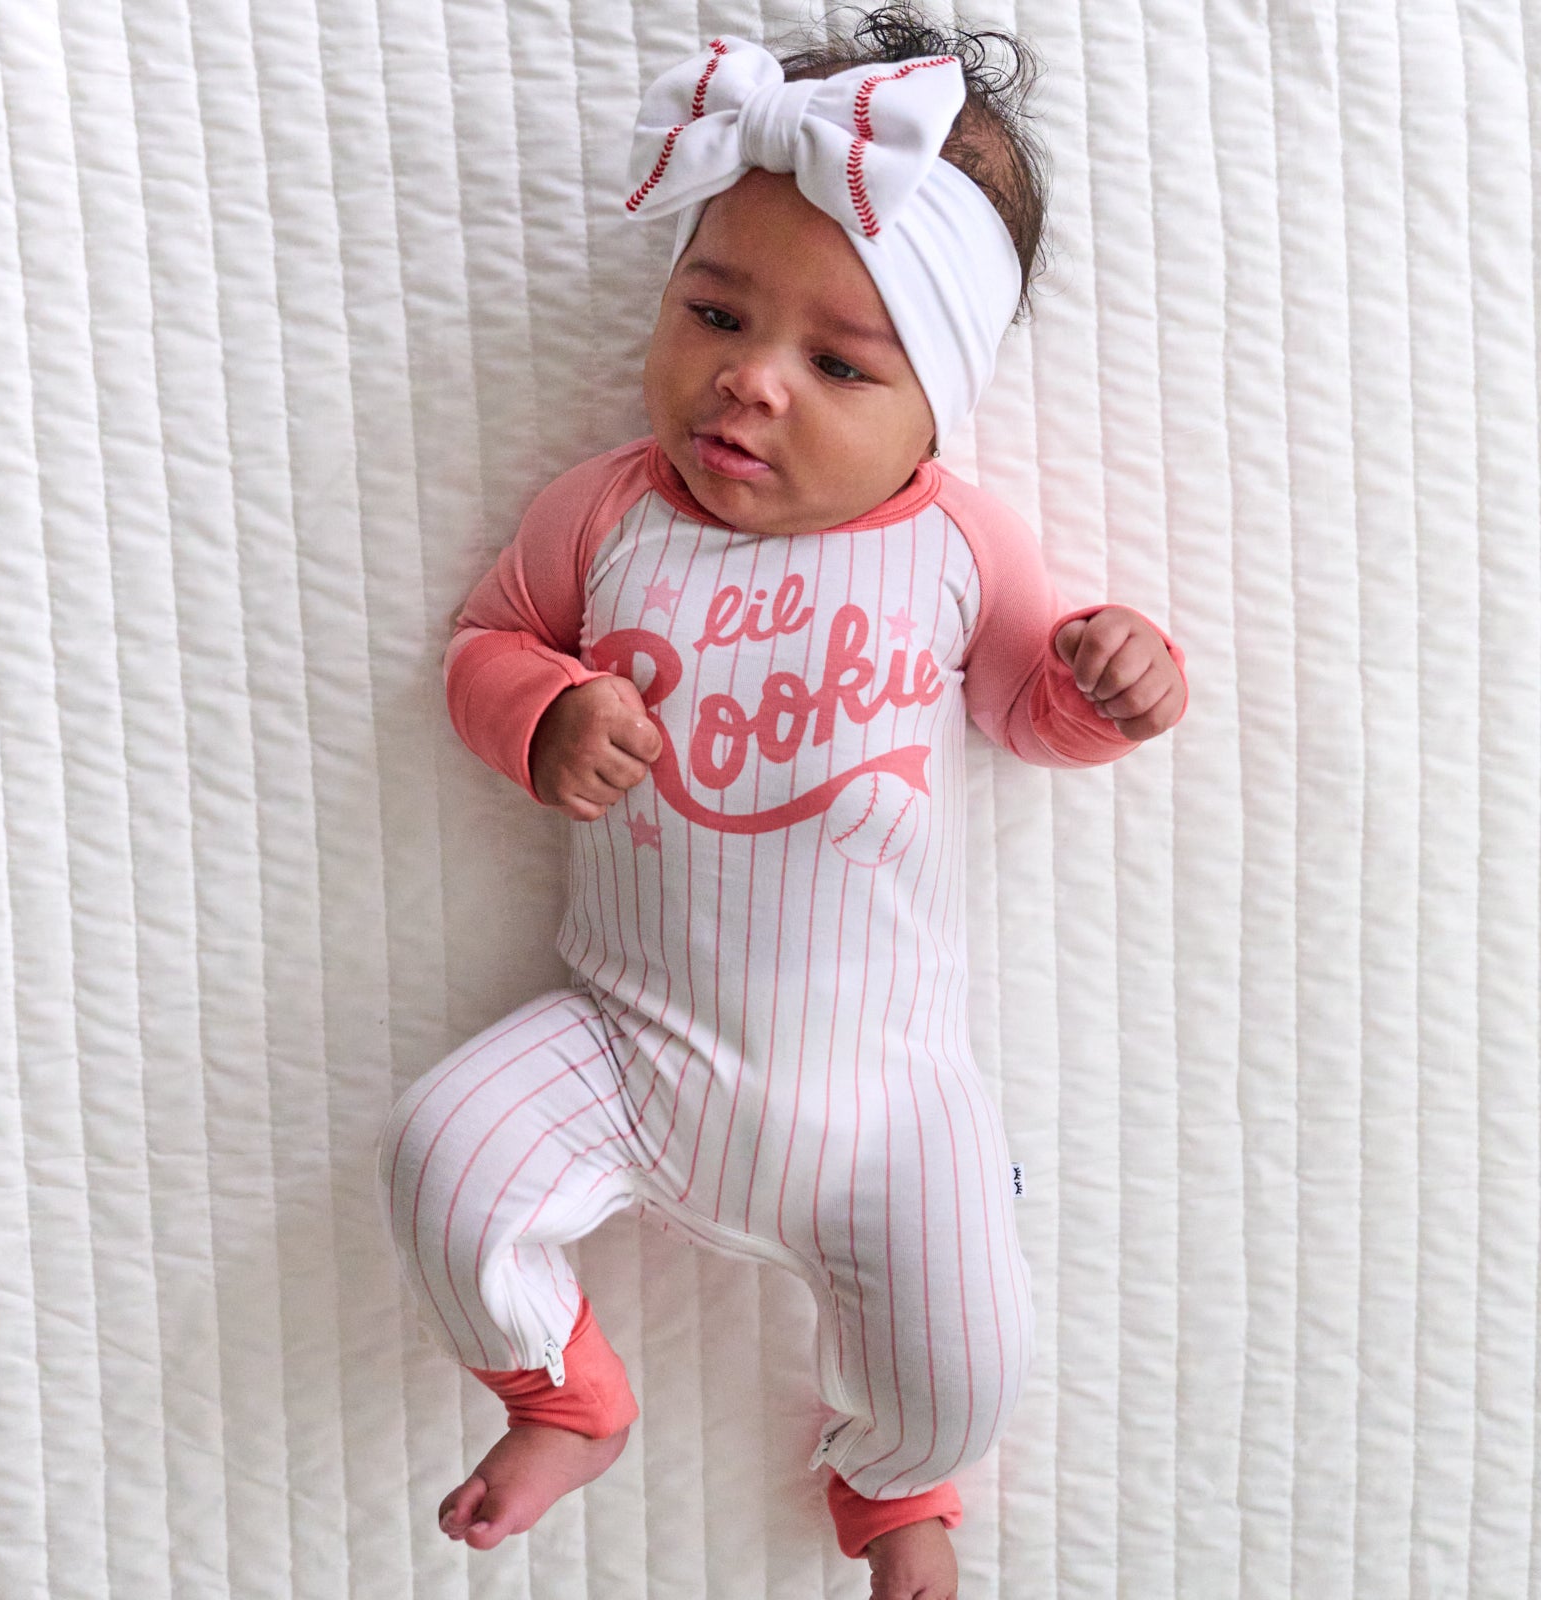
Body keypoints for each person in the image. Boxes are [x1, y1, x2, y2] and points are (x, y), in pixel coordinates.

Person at [377, 10, 1187, 1598]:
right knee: (439, 1156)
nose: (746, 383)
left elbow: (1025, 709)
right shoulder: (604, 514)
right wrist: (542, 714)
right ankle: (565, 1392)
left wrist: (1101, 687)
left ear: (934, 397)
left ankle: (893, 1489)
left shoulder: (958, 546)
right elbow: (484, 642)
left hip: (886, 1100)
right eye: (712, 311)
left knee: (973, 1355)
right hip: (624, 1040)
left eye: (836, 363)